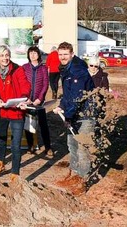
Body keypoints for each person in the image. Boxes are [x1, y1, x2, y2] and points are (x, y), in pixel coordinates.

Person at [52, 41, 95, 195]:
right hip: (73, 113)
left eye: (65, 54)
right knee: (72, 145)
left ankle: (82, 182)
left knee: (83, 148)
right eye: (60, 54)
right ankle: (74, 174)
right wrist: (61, 106)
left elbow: (78, 97)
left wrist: (67, 114)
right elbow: (68, 94)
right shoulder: (66, 69)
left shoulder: (78, 70)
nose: (62, 57)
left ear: (72, 54)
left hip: (85, 114)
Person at [0, 45, 31, 181]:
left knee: (16, 144)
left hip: (16, 112)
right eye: (2, 55)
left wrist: (23, 98)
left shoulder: (18, 69)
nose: (5, 58)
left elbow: (25, 85)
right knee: (1, 139)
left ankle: (15, 173)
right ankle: (0, 164)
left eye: (7, 55)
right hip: (1, 110)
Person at [21, 46, 52, 157]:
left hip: (39, 102)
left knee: (43, 125)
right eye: (31, 53)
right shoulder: (24, 68)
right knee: (29, 124)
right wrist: (26, 98)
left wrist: (40, 98)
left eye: (35, 53)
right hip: (28, 101)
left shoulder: (43, 68)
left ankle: (48, 147)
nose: (33, 55)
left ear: (38, 54)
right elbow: (22, 83)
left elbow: (45, 84)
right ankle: (30, 146)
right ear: (28, 55)